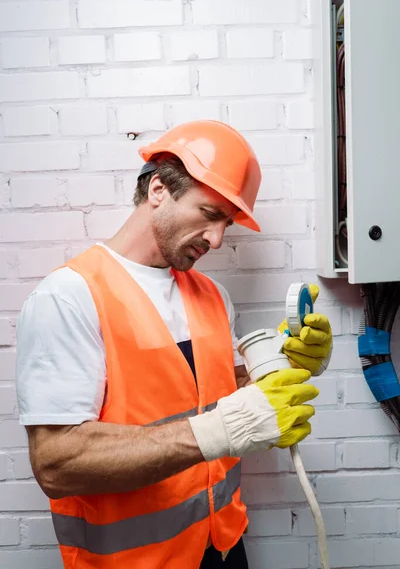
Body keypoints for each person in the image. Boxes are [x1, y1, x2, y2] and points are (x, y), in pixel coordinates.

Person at [16, 120, 332, 569]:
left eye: (226, 223)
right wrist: (219, 432)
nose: (218, 239)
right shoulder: (69, 296)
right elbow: (56, 463)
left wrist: (285, 361)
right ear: (159, 190)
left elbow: (211, 395)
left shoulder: (211, 295)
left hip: (222, 547)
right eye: (209, 214)